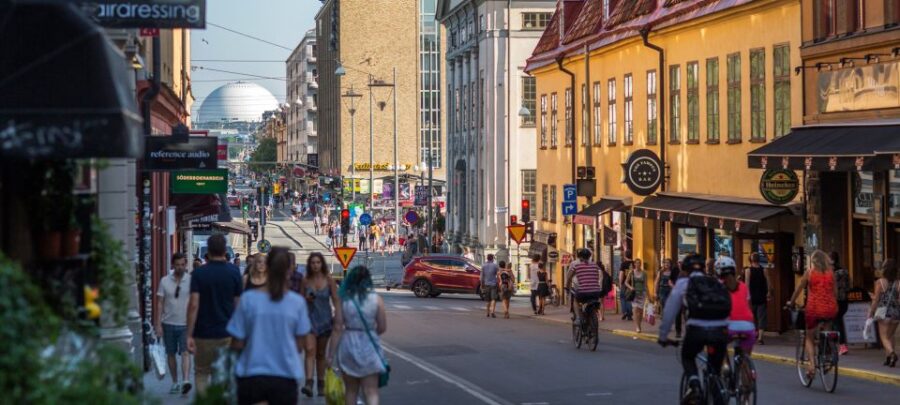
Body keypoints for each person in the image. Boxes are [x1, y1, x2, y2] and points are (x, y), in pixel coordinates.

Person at [227, 247, 311, 405]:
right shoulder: (297, 303)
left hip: (251, 373)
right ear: (289, 271)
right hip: (285, 375)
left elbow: (237, 343)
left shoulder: (248, 300)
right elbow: (300, 346)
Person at [658, 254, 730, 404]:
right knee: (714, 371)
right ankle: (718, 394)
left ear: (685, 270)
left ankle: (695, 385)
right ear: (704, 268)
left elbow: (670, 310)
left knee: (688, 356)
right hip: (719, 331)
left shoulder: (684, 283)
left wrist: (663, 336)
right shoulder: (715, 282)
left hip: (697, 329)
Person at [186, 234, 243, 394]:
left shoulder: (198, 274)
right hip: (227, 333)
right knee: (223, 374)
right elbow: (238, 304)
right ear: (225, 250)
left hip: (202, 333)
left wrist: (189, 334)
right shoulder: (233, 272)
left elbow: (194, 305)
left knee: (202, 372)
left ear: (208, 251)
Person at [330, 266, 387, 405]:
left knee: (350, 391)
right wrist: (371, 333)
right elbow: (382, 327)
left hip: (348, 344)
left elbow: (337, 327)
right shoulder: (376, 299)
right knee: (371, 391)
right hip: (369, 345)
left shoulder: (344, 300)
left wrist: (330, 355)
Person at [788, 250, 838, 379]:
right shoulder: (831, 274)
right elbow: (835, 293)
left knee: (809, 337)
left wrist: (791, 302)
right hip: (830, 308)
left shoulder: (810, 273)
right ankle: (828, 354)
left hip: (814, 309)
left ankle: (812, 365)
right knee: (826, 331)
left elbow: (798, 289)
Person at [301, 252, 344, 397]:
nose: (315, 265)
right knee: (309, 350)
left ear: (322, 264)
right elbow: (299, 300)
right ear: (309, 264)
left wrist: (338, 316)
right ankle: (308, 382)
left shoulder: (329, 280)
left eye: (318, 262)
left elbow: (336, 299)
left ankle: (320, 383)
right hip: (309, 320)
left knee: (320, 354)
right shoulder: (305, 280)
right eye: (313, 262)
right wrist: (306, 298)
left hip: (325, 320)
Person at [155, 253, 193, 395]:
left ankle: (186, 381)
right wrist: (158, 324)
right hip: (168, 322)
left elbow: (195, 301)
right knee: (170, 353)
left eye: (182, 265)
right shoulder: (164, 281)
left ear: (186, 265)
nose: (180, 267)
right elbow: (159, 303)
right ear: (173, 265)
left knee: (185, 352)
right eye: (177, 265)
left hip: (185, 323)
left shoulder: (190, 281)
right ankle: (175, 382)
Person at [716, 257, 756, 355]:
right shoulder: (743, 286)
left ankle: (724, 366)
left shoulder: (719, 287)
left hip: (729, 326)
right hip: (749, 327)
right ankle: (747, 368)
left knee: (717, 346)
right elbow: (749, 306)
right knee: (745, 358)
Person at [868, 259, 900, 367]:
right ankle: (889, 359)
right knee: (891, 336)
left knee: (884, 337)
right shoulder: (898, 283)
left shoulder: (880, 282)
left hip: (883, 312)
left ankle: (892, 353)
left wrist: (871, 312)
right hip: (896, 312)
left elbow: (876, 300)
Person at [565, 249, 604, 325]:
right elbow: (600, 275)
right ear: (590, 257)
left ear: (580, 257)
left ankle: (578, 319)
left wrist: (567, 287)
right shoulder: (595, 265)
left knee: (576, 300)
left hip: (582, 291)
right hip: (596, 292)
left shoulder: (576, 266)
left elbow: (569, 277)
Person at [744, 252, 773, 345]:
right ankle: (760, 338)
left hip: (751, 297)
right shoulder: (764, 270)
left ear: (750, 260)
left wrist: (746, 296)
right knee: (761, 317)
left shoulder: (748, 271)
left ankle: (752, 335)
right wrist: (769, 292)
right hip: (761, 296)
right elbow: (769, 282)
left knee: (752, 317)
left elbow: (747, 285)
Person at [831, 251, 850, 355]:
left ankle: (842, 345)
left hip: (835, 300)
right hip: (844, 300)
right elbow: (848, 286)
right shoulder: (845, 271)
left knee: (836, 323)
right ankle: (840, 344)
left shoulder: (832, 273)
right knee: (839, 322)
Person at [625, 259, 648, 334]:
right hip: (634, 293)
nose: (638, 265)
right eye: (637, 263)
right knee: (635, 310)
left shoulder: (644, 273)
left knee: (640, 311)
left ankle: (639, 324)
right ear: (634, 264)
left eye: (639, 263)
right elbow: (626, 282)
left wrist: (649, 295)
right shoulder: (631, 272)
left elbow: (646, 285)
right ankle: (637, 326)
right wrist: (630, 287)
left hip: (642, 293)